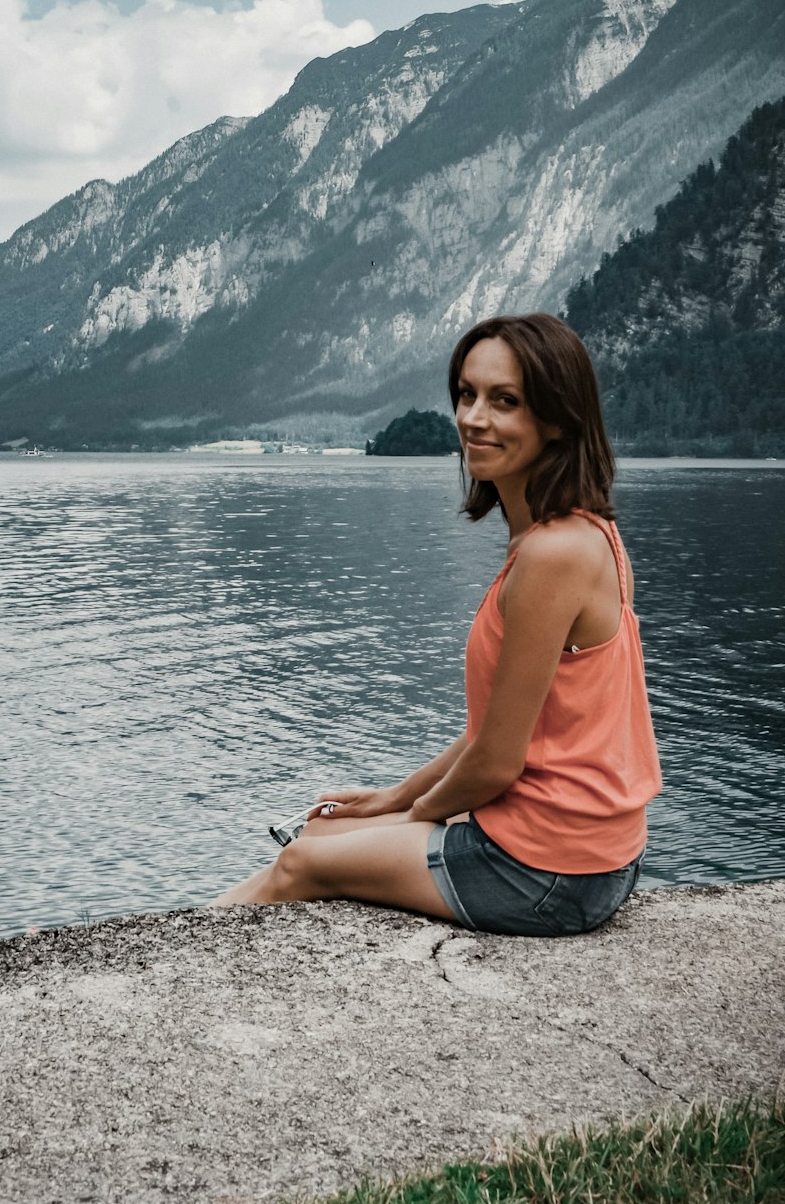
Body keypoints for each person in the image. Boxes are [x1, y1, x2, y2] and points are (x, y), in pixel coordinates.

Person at [213, 312, 661, 935]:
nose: (473, 418)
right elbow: (505, 731)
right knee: (324, 826)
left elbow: (497, 764)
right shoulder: (586, 533)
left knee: (301, 860)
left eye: (505, 401)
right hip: (587, 856)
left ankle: (154, 974)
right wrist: (391, 799)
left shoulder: (553, 555)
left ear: (558, 419)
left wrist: (413, 816)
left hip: (549, 872)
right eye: (467, 394)